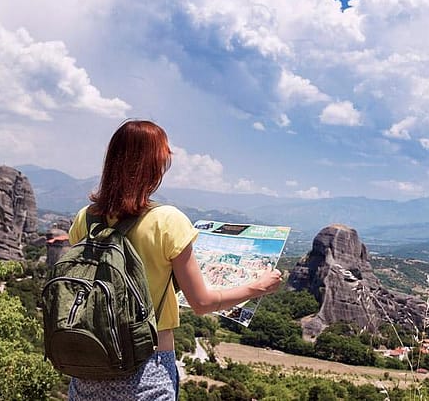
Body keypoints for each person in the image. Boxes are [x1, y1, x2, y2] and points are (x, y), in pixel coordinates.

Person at [66, 119, 282, 400]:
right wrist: (258, 287)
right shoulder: (168, 221)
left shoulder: (85, 218)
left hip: (88, 365)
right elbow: (202, 303)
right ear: (154, 167)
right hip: (146, 369)